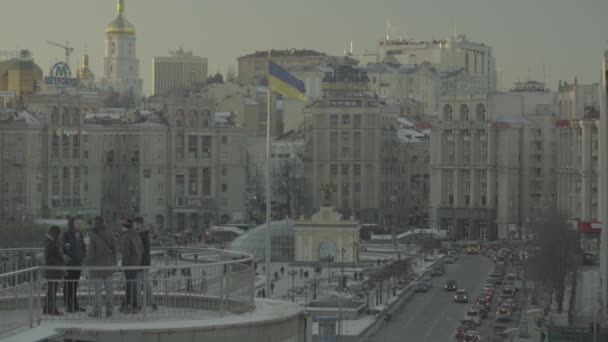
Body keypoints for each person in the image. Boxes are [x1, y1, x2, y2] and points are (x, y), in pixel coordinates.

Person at [85, 216, 117, 317]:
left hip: (97, 268)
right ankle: (109, 310)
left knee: (98, 291)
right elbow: (115, 249)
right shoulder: (110, 233)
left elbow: (91, 253)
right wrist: (113, 261)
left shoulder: (93, 236)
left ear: (95, 223)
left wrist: (86, 263)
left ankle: (97, 310)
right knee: (109, 290)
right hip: (108, 267)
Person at [62, 216, 86, 312]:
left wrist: (83, 256)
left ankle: (75, 305)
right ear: (71, 224)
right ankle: (68, 306)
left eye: (79, 222)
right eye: (76, 222)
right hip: (69, 265)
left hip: (78, 265)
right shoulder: (66, 234)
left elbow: (83, 248)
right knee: (68, 286)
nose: (78, 224)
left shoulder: (80, 234)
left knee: (75, 286)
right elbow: (62, 248)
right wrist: (67, 257)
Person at [134, 217, 157, 310]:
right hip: (145, 261)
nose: (134, 225)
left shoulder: (140, 235)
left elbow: (138, 249)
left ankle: (139, 304)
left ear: (139, 224)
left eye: (135, 223)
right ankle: (152, 302)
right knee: (146, 283)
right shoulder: (145, 233)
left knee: (137, 284)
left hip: (140, 262)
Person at [120, 219, 143, 313]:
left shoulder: (126, 236)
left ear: (124, 227)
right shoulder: (136, 234)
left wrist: (124, 263)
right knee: (130, 283)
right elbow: (142, 249)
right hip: (136, 262)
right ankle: (126, 303)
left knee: (131, 284)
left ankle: (134, 305)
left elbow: (125, 252)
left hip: (129, 263)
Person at [43, 225, 64, 316]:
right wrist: (59, 262)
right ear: (54, 233)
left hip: (52, 270)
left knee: (51, 291)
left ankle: (47, 309)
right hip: (52, 270)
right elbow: (49, 258)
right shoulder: (50, 242)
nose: (58, 236)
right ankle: (52, 309)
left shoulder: (50, 241)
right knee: (52, 291)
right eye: (58, 234)